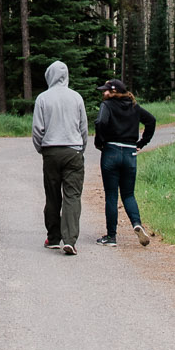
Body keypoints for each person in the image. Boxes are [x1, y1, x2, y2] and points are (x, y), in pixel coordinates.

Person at [31, 59, 88, 255]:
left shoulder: (43, 98)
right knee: (72, 195)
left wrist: (42, 148)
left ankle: (53, 237)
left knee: (52, 195)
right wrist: (81, 148)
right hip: (74, 151)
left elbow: (38, 129)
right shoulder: (76, 98)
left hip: (51, 151)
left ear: (49, 76)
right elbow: (83, 127)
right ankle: (70, 239)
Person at [91, 78, 156, 247]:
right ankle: (137, 224)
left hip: (111, 151)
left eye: (106, 90)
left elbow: (101, 122)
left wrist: (100, 141)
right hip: (129, 153)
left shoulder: (107, 106)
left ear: (114, 92)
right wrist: (141, 143)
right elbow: (151, 121)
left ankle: (111, 237)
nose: (103, 93)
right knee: (128, 194)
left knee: (111, 195)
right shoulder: (134, 106)